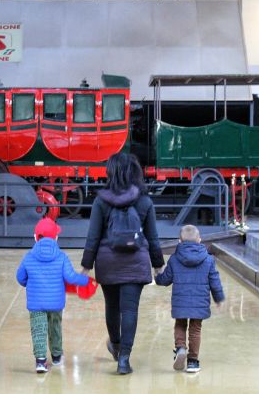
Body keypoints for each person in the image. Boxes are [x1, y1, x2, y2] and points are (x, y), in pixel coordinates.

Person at [81, 152, 164, 374]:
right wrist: (158, 264)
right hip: (136, 262)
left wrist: (86, 265)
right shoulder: (145, 201)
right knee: (130, 309)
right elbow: (153, 238)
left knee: (112, 307)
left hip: (108, 262)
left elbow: (93, 236)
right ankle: (124, 360)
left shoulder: (101, 201)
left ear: (112, 173)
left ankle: (116, 347)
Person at [16, 217, 89, 373]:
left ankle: (41, 362)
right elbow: (70, 277)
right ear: (56, 237)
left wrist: (28, 283)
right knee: (55, 326)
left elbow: (20, 277)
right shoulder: (62, 257)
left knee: (39, 329)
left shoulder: (28, 257)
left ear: (35, 237)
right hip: (56, 302)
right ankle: (56, 356)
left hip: (36, 303)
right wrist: (86, 281)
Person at [155, 224, 225, 373]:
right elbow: (215, 280)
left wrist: (158, 276)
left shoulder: (174, 259)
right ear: (199, 240)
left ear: (179, 241)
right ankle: (192, 361)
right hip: (200, 303)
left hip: (180, 302)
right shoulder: (208, 259)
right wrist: (219, 298)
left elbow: (166, 280)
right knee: (195, 329)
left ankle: (180, 348)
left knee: (180, 324)